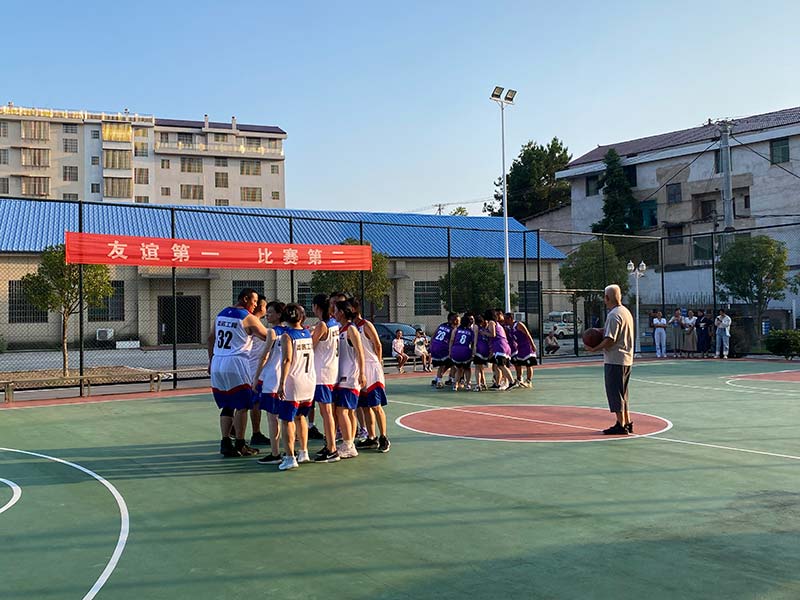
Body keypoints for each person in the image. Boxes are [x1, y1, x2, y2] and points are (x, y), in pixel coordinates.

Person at [207, 288, 268, 457]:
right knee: (243, 405)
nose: (255, 305)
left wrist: (210, 360)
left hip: (218, 361)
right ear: (245, 299)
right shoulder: (247, 317)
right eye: (254, 301)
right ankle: (241, 444)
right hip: (236, 362)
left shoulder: (221, 314)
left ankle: (225, 442)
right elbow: (267, 336)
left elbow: (211, 338)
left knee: (227, 404)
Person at [584, 284, 634, 435]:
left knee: (614, 393)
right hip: (626, 358)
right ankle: (627, 422)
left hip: (615, 359)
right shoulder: (625, 312)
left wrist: (594, 348)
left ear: (607, 298)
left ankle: (620, 425)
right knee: (623, 393)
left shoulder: (613, 315)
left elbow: (610, 339)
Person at [274, 303, 316, 471]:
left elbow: (287, 360)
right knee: (301, 417)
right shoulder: (307, 333)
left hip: (294, 382)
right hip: (308, 381)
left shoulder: (287, 336)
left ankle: (290, 456)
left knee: (286, 420)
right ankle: (303, 452)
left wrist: (281, 383)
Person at [355, 304, 392, 453]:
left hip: (372, 367)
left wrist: (379, 362)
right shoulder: (350, 327)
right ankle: (372, 437)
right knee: (365, 406)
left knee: (376, 406)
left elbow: (377, 344)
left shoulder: (366, 325)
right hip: (360, 368)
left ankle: (383, 437)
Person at [253, 301, 287, 465]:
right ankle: (290, 451)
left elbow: (264, 356)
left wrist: (256, 377)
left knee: (272, 418)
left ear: (279, 315)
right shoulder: (291, 332)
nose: (267, 315)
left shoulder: (272, 332)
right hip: (286, 379)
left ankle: (275, 453)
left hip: (272, 379)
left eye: (271, 312)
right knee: (287, 418)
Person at [333, 299, 366, 459]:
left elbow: (360, 352)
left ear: (342, 312)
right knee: (350, 412)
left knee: (342, 411)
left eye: (335, 310)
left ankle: (348, 444)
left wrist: (362, 373)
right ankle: (350, 443)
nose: (334, 313)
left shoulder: (351, 329)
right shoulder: (341, 329)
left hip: (350, 375)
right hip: (343, 375)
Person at [310, 293, 340, 463]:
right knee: (329, 412)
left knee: (326, 412)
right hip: (332, 371)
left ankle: (332, 448)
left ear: (316, 307)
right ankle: (330, 444)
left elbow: (310, 345)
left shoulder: (322, 325)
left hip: (322, 374)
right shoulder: (333, 323)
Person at [247, 296, 271, 446]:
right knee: (255, 402)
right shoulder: (253, 323)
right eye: (265, 306)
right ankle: (256, 433)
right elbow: (268, 337)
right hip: (254, 368)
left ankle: (235, 429)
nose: (266, 310)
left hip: (256, 368)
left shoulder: (254, 322)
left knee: (252, 402)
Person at [484, 309, 514, 390]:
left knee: (501, 365)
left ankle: (511, 382)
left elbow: (493, 334)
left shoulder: (491, 322)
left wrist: (484, 332)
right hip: (504, 345)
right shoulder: (498, 324)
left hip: (500, 346)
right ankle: (499, 383)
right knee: (498, 366)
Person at [507, 313, 537, 388]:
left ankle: (529, 381)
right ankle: (519, 379)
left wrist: (532, 345)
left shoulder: (519, 324)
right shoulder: (509, 327)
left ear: (510, 318)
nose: (504, 320)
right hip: (520, 347)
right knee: (519, 364)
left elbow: (527, 334)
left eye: (505, 318)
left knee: (528, 364)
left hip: (527, 346)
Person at [430, 313, 459, 389]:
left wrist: (431, 346)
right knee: (454, 364)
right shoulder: (453, 329)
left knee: (446, 364)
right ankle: (452, 380)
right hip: (443, 348)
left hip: (435, 346)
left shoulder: (442, 325)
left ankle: (438, 379)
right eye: (458, 320)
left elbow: (433, 335)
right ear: (453, 320)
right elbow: (452, 341)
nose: (459, 322)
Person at [449, 313, 476, 391]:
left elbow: (451, 340)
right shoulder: (471, 331)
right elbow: (473, 343)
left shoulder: (456, 329)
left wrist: (450, 351)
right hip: (465, 351)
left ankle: (455, 385)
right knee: (467, 368)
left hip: (455, 351)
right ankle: (468, 384)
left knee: (459, 369)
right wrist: (473, 353)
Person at [472, 314, 490, 391]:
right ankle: (484, 383)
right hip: (486, 349)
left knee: (477, 368)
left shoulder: (476, 327)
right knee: (481, 367)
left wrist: (474, 347)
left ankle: (478, 385)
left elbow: (475, 337)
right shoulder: (484, 329)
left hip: (479, 348)